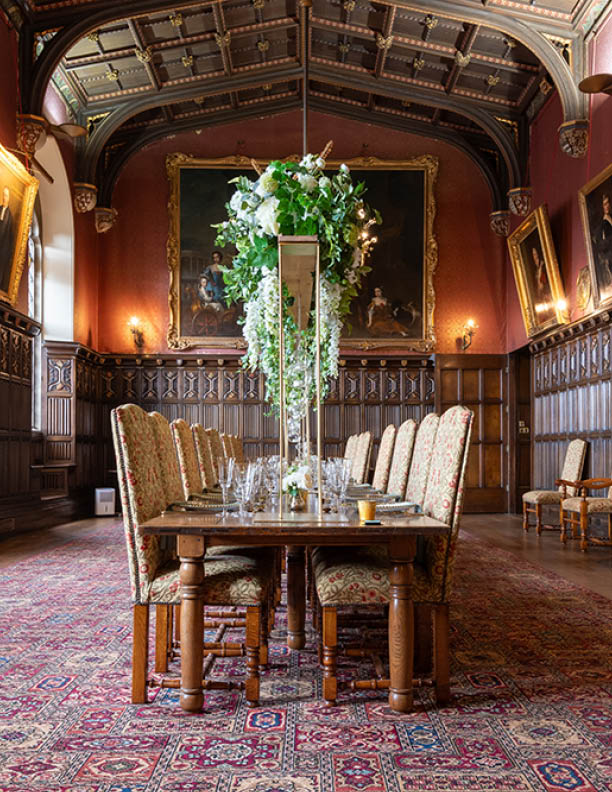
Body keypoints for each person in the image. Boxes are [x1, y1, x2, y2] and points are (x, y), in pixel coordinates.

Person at [593, 192, 612, 296]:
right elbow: (600, 244)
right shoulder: (600, 226)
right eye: (605, 204)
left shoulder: (610, 218)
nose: (607, 206)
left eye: (608, 203)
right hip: (608, 254)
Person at [0, 186, 14, 294]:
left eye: (7, 196)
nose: (5, 198)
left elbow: (10, 238)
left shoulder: (10, 217)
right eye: (4, 195)